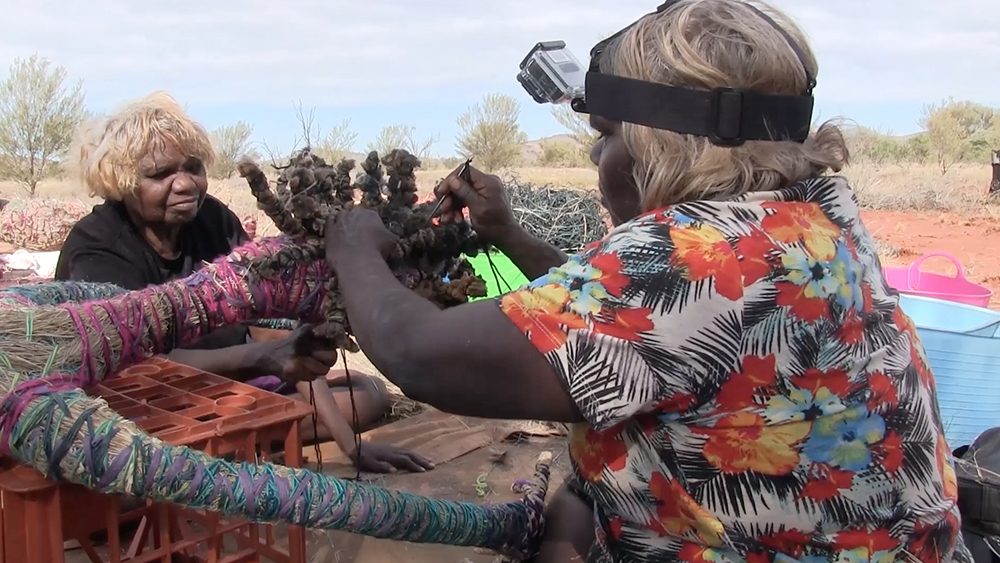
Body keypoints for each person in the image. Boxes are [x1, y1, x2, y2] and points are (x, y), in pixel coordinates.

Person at [322, 1, 972, 562]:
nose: (596, 157)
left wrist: (352, 245)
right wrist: (507, 235)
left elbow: (420, 353)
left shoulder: (696, 256)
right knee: (577, 496)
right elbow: (638, 328)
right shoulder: (808, 223)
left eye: (605, 137)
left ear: (660, 144)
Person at [55, 91, 432, 474]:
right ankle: (234, 442)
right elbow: (134, 367)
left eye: (192, 167)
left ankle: (234, 442)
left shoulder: (213, 220)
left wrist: (351, 448)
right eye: (160, 174)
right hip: (143, 401)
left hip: (229, 385)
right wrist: (261, 358)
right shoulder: (98, 247)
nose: (185, 184)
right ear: (123, 182)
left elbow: (270, 332)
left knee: (368, 393)